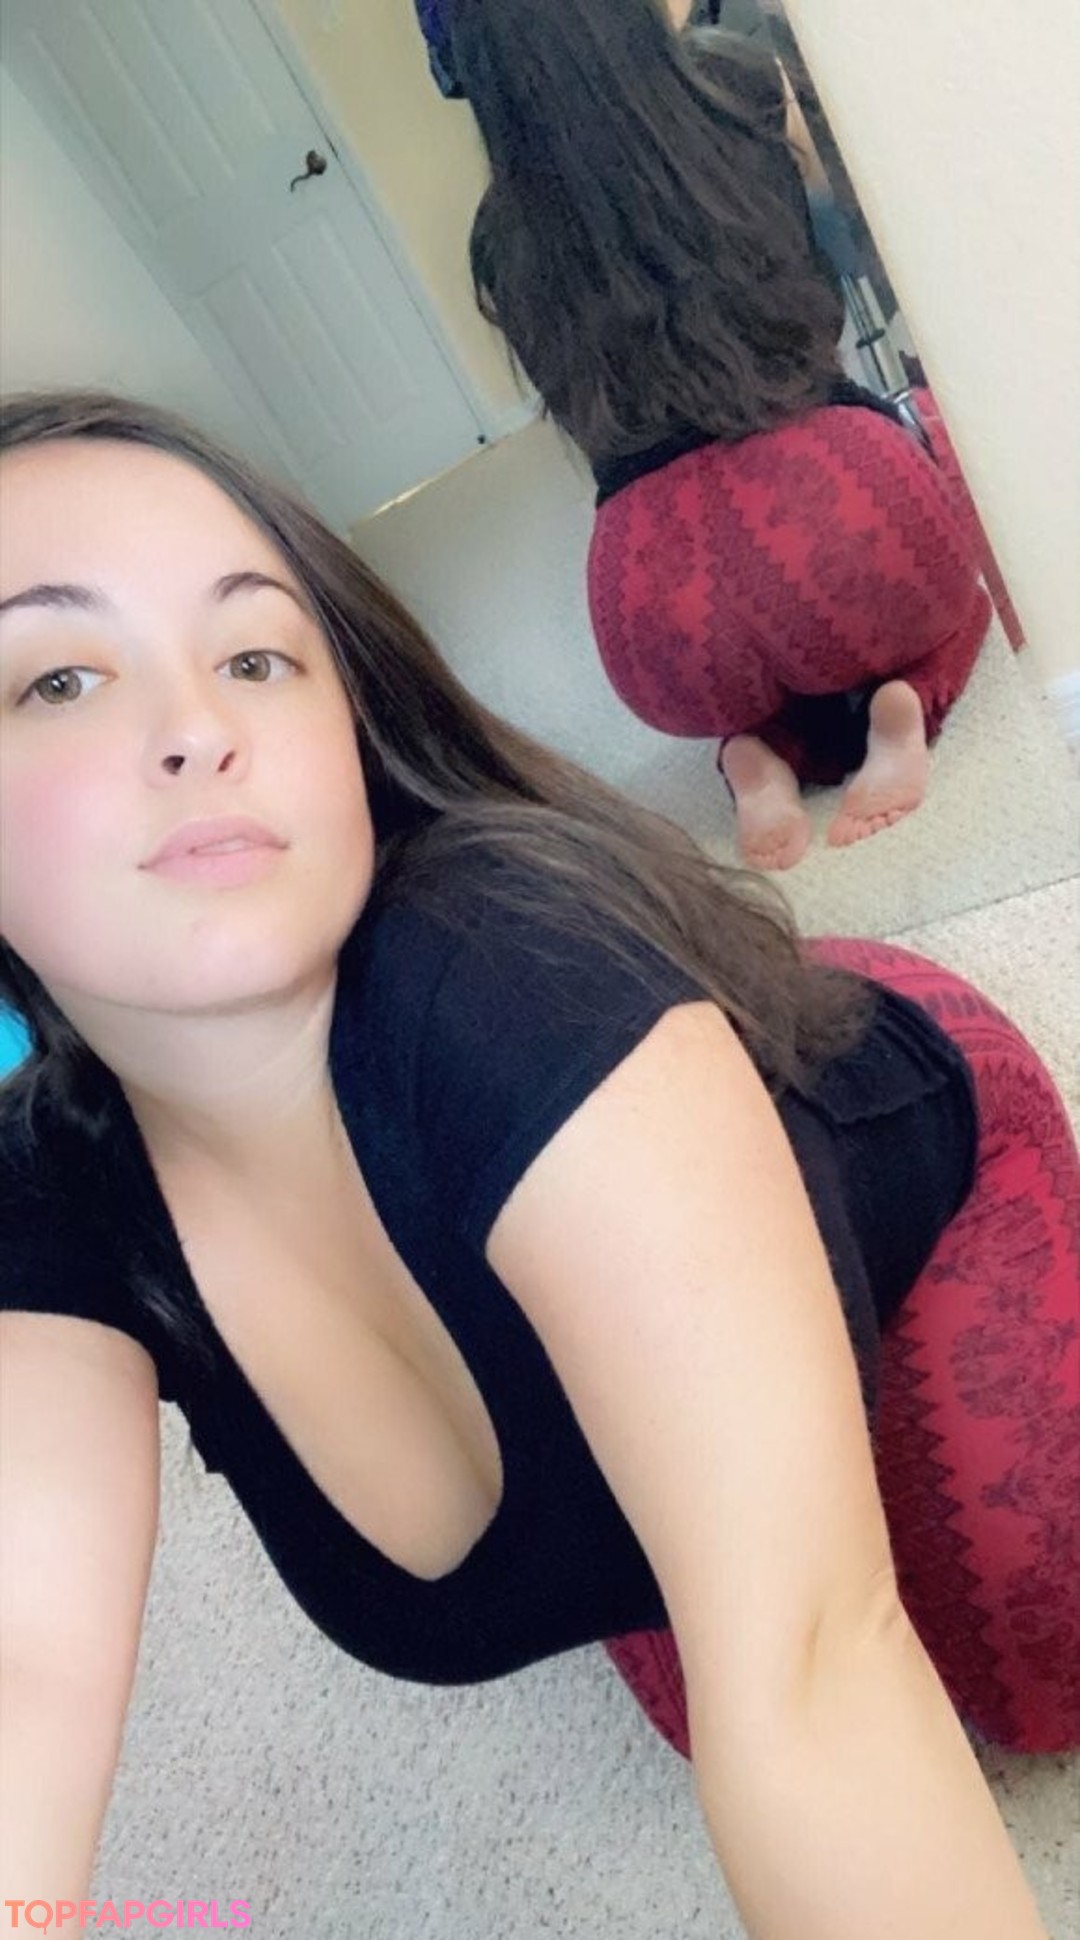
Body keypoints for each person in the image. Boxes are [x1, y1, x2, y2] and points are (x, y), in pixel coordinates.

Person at [1, 391, 1076, 1940]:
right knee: (698, 1633)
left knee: (1025, 1684)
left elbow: (817, 1677)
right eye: (59, 677)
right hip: (624, 1133)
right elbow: (26, 1676)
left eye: (255, 656)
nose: (196, 725)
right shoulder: (46, 1190)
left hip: (875, 1098)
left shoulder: (505, 965)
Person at [450, 0, 994, 868]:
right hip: (833, 493)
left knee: (756, 665)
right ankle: (905, 699)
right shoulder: (739, 82)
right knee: (952, 504)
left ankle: (759, 746)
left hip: (655, 599)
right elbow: (844, 248)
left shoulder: (497, 237)